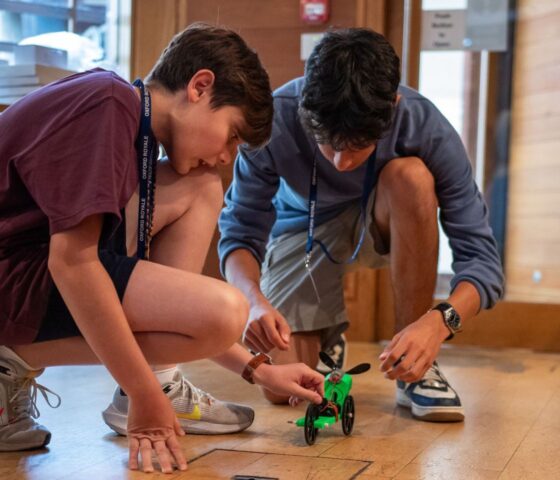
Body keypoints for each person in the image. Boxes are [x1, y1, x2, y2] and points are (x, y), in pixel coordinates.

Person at [0, 23, 324, 473]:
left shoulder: (131, 127)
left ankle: (160, 379)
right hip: (13, 270)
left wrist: (261, 371)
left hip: (21, 266)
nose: (230, 154)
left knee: (203, 185)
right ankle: (21, 367)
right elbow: (73, 262)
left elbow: (171, 310)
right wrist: (145, 401)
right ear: (200, 86)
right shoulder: (109, 103)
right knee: (227, 310)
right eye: (232, 134)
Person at [218, 28, 504, 423]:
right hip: (302, 231)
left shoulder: (424, 124)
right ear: (305, 107)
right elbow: (239, 233)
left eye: (356, 147)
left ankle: (414, 364)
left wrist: (437, 323)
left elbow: (483, 265)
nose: (338, 161)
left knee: (412, 178)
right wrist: (253, 301)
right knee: (282, 389)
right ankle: (327, 331)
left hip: (386, 220)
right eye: (326, 142)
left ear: (393, 107)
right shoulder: (277, 115)